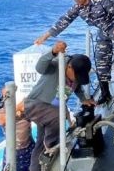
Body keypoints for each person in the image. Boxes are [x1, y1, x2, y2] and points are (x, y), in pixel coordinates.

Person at [34, 0, 114, 108]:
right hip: (103, 31)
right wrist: (45, 36)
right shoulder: (78, 7)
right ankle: (105, 93)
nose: (77, 0)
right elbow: (64, 20)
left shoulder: (100, 0)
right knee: (101, 61)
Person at [20, 41, 95, 171]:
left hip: (53, 107)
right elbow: (40, 67)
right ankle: (51, 148)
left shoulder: (74, 75)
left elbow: (75, 87)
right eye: (76, 76)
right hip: (38, 104)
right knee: (56, 119)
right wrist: (53, 51)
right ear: (69, 67)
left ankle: (36, 168)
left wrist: (84, 99)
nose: (77, 79)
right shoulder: (57, 64)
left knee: (40, 143)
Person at [0, 89, 35, 171]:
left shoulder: (24, 100)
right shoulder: (2, 106)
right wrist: (18, 108)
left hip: (29, 145)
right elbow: (1, 121)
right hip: (15, 149)